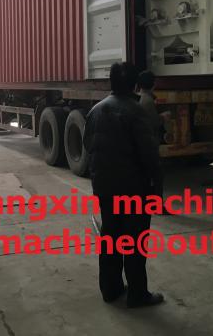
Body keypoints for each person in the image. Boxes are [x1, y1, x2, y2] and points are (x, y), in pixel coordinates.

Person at [83, 62, 164, 308]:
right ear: (135, 85)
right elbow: (149, 155)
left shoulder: (95, 110)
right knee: (135, 242)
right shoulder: (135, 111)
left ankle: (111, 289)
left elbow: (88, 146)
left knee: (111, 237)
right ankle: (137, 294)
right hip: (133, 189)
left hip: (105, 188)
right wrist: (156, 189)